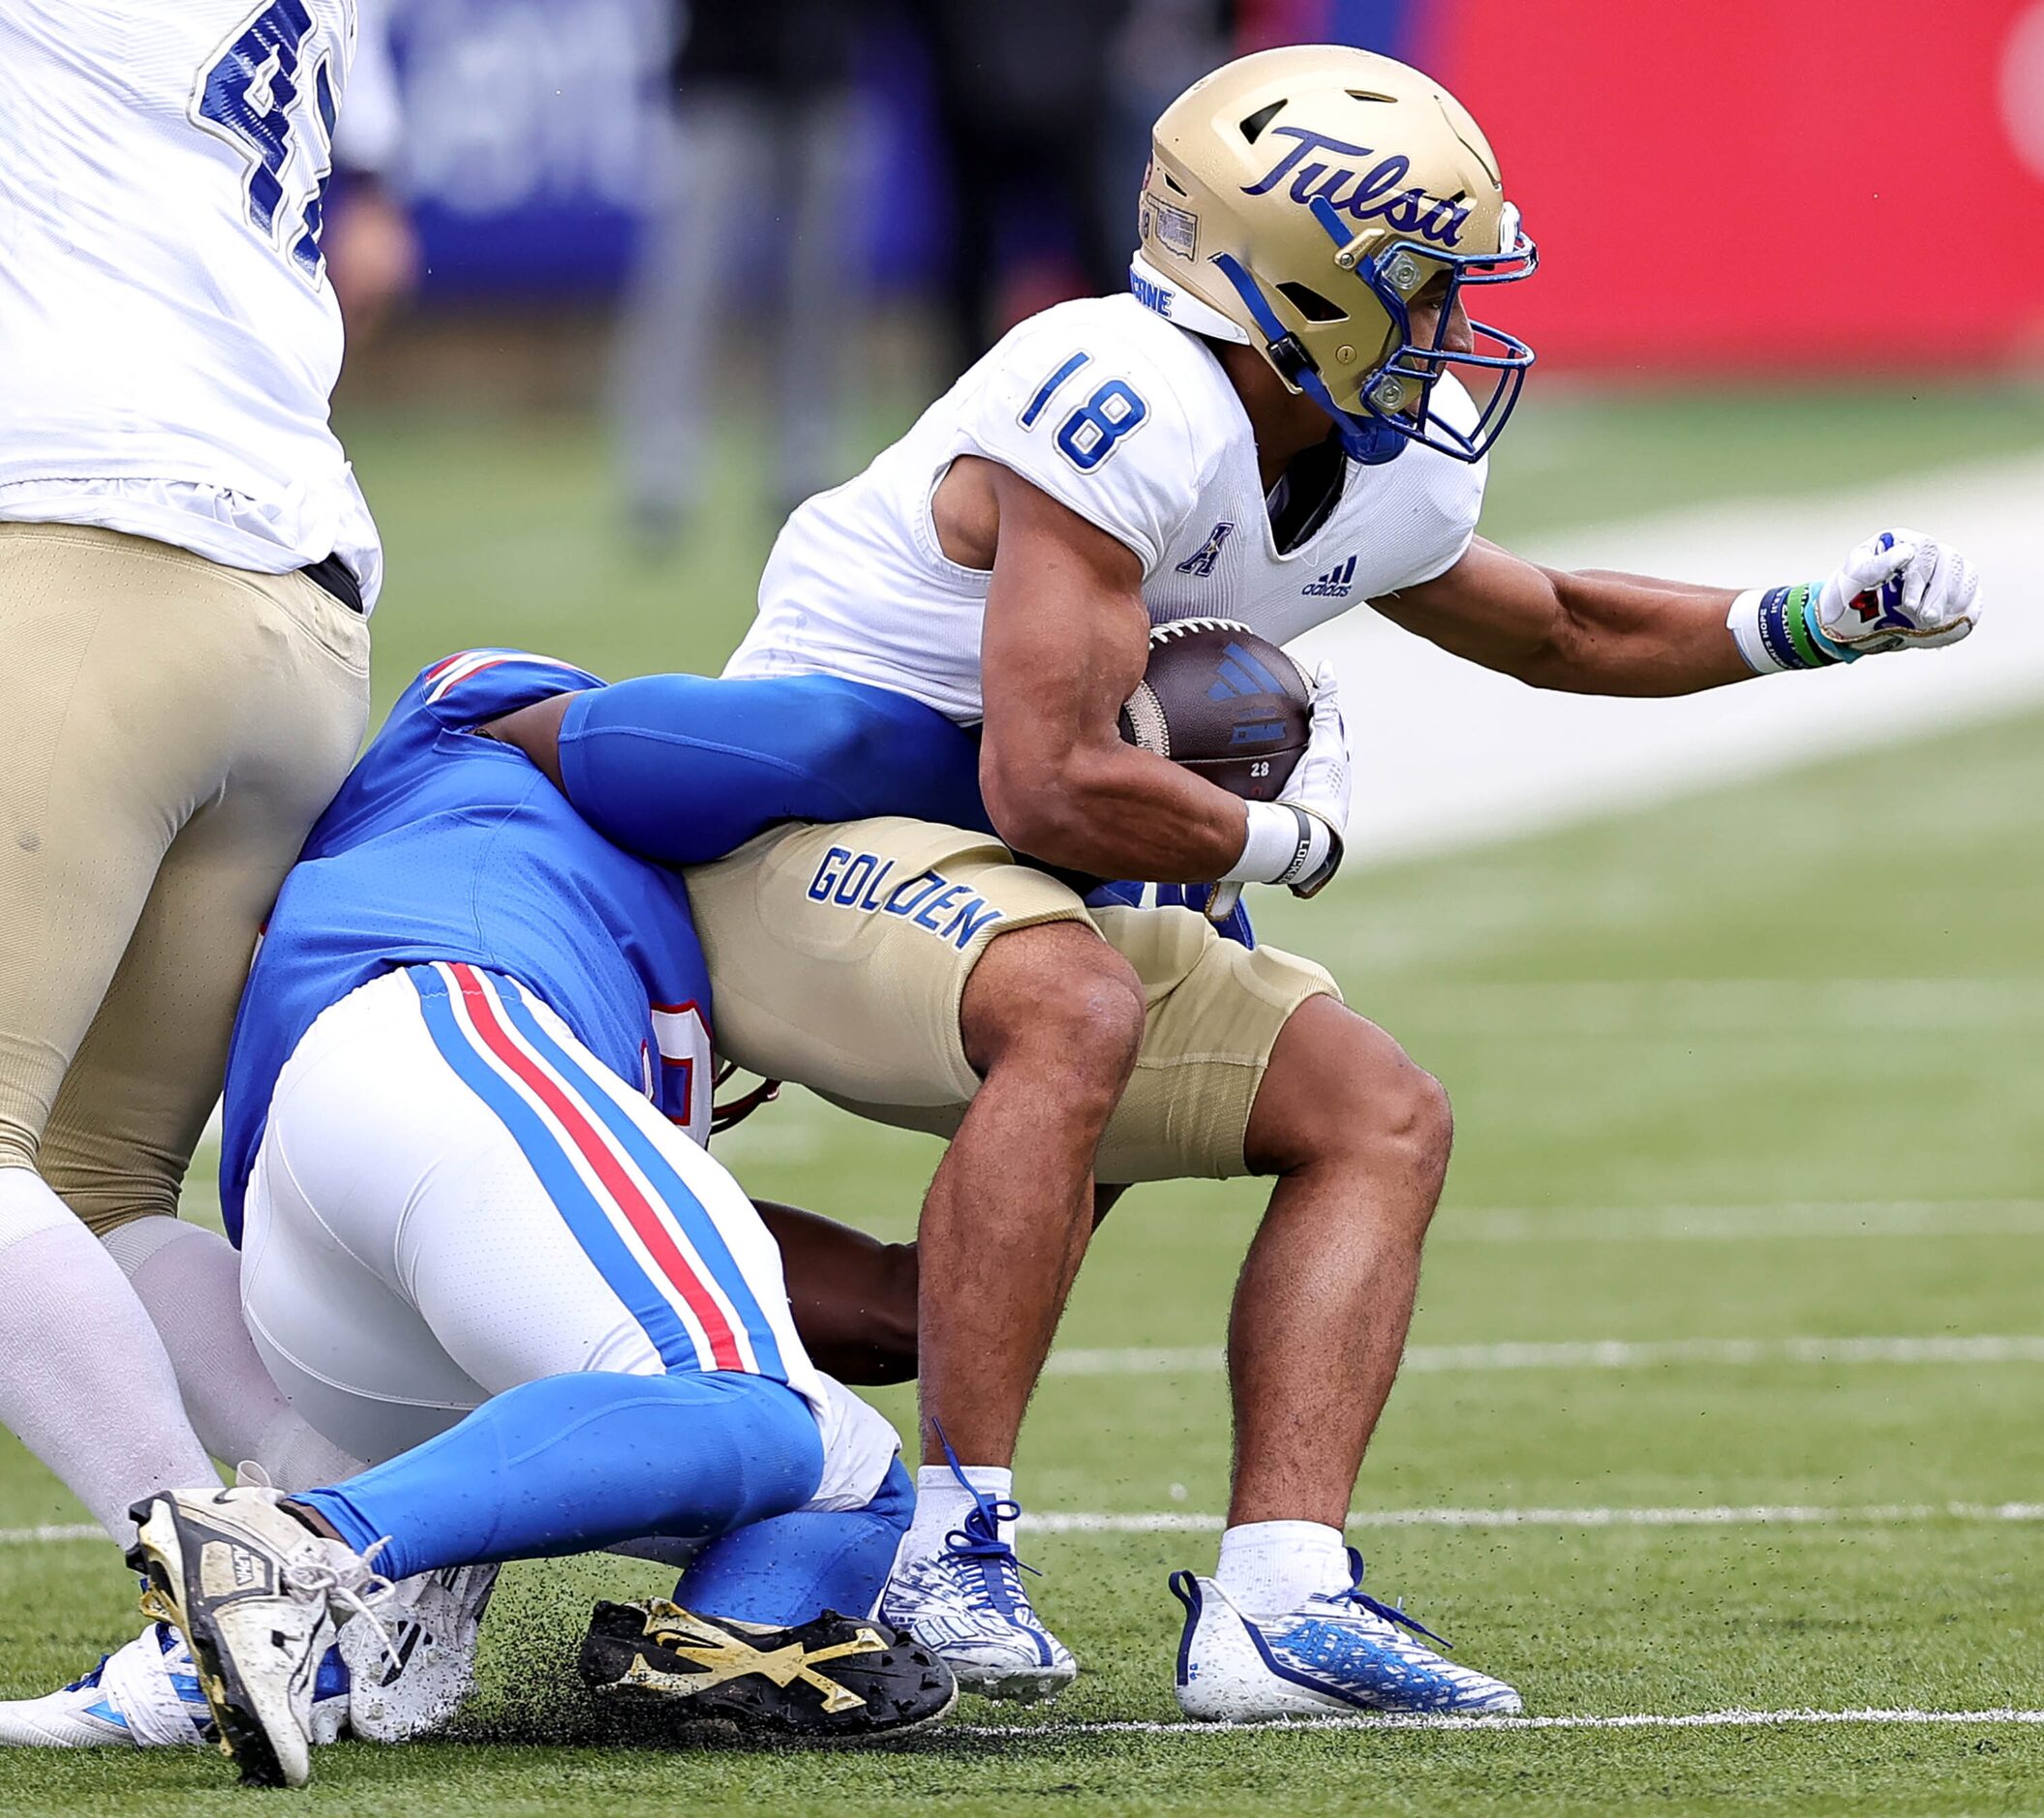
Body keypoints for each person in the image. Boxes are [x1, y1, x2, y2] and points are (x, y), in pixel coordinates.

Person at [660, 42, 1980, 1718]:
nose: (1450, 324)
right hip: (803, 838)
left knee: (1374, 1111)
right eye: (1421, 282)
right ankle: (949, 1541)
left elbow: (1561, 624)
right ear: (1298, 272)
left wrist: (1813, 621)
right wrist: (1280, 839)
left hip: (1028, 886)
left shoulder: (1368, 448)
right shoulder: (1115, 389)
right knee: (1072, 1003)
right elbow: (1038, 768)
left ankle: (1281, 1598)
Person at [104, 647, 991, 1785]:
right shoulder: (497, 735)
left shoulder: (590, 961)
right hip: (440, 1028)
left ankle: (723, 1645)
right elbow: (794, 745)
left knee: (839, 1464)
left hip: (341, 1292)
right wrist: (1063, 790)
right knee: (751, 1404)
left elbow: (886, 1315)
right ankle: (298, 1546)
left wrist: (1066, 1127)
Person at [0, 0, 385, 1597]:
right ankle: (377, 1546)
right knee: (92, 1187)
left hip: (97, 547)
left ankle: (208, 1567)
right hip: (297, 603)